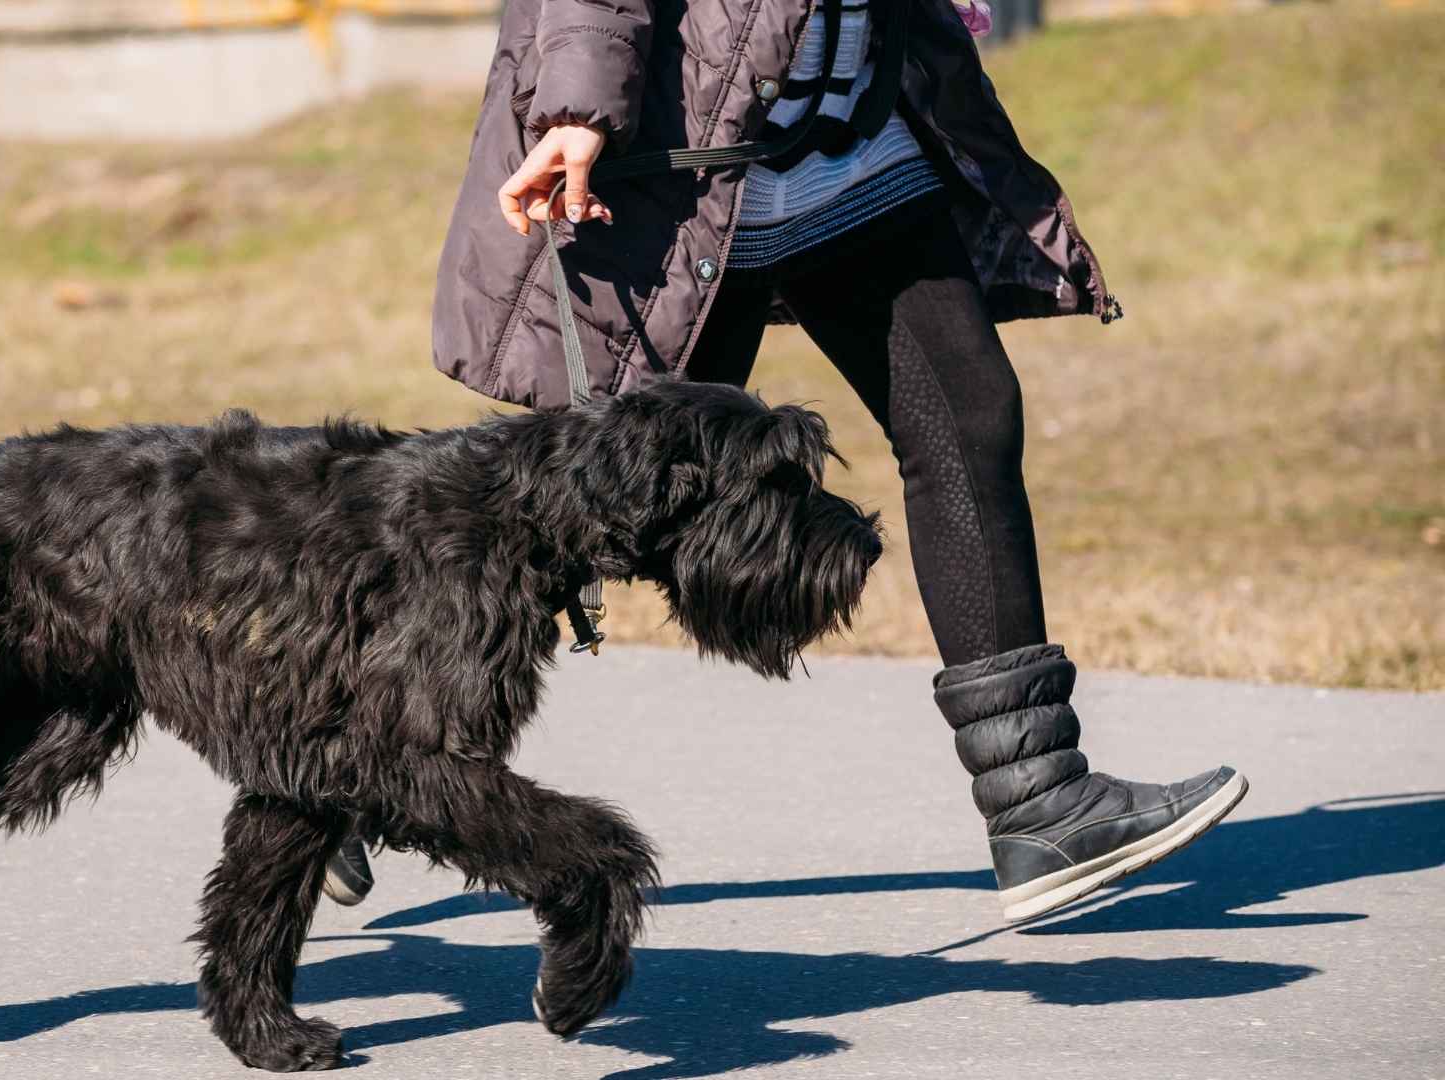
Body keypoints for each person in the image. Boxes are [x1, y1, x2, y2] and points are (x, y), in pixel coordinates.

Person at [324, 0, 1245, 923]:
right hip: (690, 168)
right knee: (576, 521)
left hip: (848, 147)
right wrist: (578, 107)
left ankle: (1040, 796)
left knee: (968, 416)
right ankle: (351, 771)